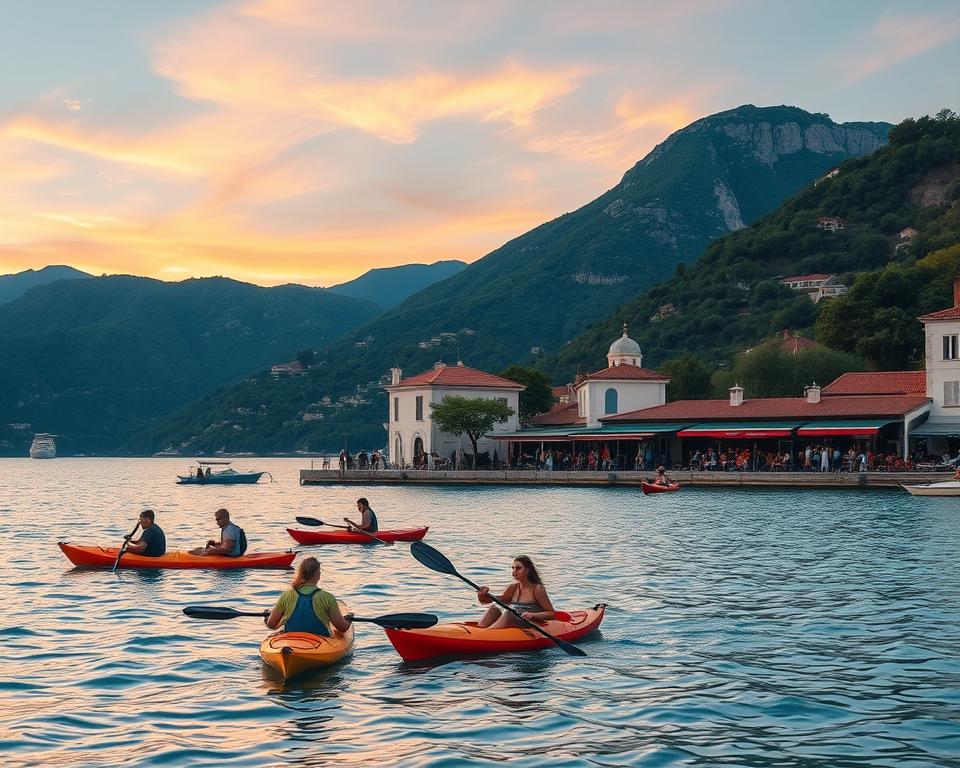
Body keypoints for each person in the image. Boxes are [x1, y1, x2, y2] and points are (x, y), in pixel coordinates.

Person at [265, 556, 352, 636]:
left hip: (292, 642)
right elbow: (342, 628)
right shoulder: (327, 597)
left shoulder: (286, 595)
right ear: (316, 575)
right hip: (319, 642)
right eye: (319, 572)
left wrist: (267, 617)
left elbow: (271, 625)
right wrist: (349, 620)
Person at [477, 555, 556, 629]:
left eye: (518, 568)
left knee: (509, 613)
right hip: (513, 619)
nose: (514, 571)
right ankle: (479, 632)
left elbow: (551, 614)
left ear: (528, 570)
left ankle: (486, 635)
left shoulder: (537, 589)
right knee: (494, 609)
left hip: (528, 623)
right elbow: (494, 601)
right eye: (513, 568)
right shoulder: (513, 588)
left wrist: (532, 615)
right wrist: (483, 596)